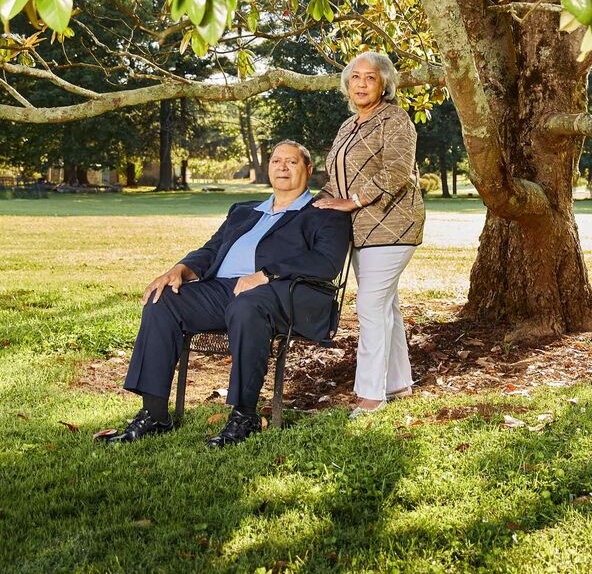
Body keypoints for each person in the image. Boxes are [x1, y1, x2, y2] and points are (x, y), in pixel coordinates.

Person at [106, 140, 351, 448]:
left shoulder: (324, 212)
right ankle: (154, 414)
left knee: (246, 306)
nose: (282, 167)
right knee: (163, 299)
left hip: (283, 293)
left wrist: (265, 274)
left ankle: (244, 415)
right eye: (276, 161)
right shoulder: (244, 212)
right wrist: (180, 269)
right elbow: (211, 250)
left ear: (308, 170)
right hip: (224, 291)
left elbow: (326, 263)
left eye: (291, 162)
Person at [314, 52, 424, 416]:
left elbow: (397, 171)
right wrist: (316, 203)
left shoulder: (395, 119)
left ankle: (370, 396)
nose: (361, 84)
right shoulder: (348, 125)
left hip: (392, 226)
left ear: (384, 84)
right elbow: (336, 180)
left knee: (370, 307)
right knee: (385, 305)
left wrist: (353, 200)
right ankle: (397, 384)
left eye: (370, 78)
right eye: (355, 77)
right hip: (361, 230)